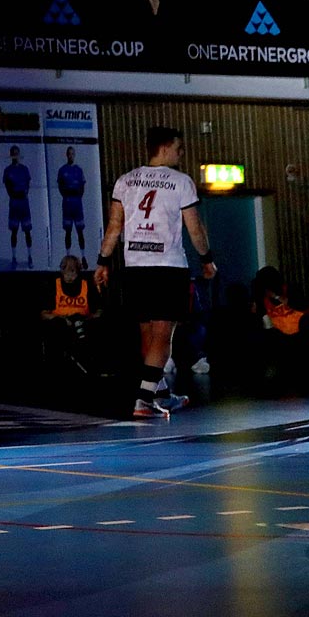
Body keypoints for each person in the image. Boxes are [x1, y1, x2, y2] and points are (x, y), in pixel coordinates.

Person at [94, 126, 216, 419]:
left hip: (134, 266)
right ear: (164, 149)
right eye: (179, 148)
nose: (181, 153)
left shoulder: (125, 180)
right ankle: (143, 400)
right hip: (167, 265)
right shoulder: (181, 182)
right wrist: (207, 259)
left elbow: (114, 227)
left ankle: (162, 394)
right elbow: (194, 228)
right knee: (164, 335)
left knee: (147, 334)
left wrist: (103, 262)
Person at [2, 145, 34, 269]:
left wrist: (24, 193)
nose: (15, 155)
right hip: (14, 203)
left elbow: (28, 183)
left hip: (24, 204)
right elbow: (7, 186)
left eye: (17, 153)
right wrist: (13, 195)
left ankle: (29, 257)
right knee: (14, 231)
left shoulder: (25, 169)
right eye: (13, 153)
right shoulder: (8, 170)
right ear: (11, 155)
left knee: (27, 231)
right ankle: (14, 258)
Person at [56, 146, 88, 251]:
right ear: (66, 155)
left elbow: (82, 186)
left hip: (77, 204)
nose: (70, 156)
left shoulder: (79, 170)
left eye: (72, 154)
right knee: (68, 231)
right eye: (69, 154)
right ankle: (68, 256)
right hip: (67, 204)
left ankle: (83, 256)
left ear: (74, 155)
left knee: (80, 231)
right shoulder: (62, 170)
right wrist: (66, 194)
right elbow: (60, 186)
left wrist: (78, 196)